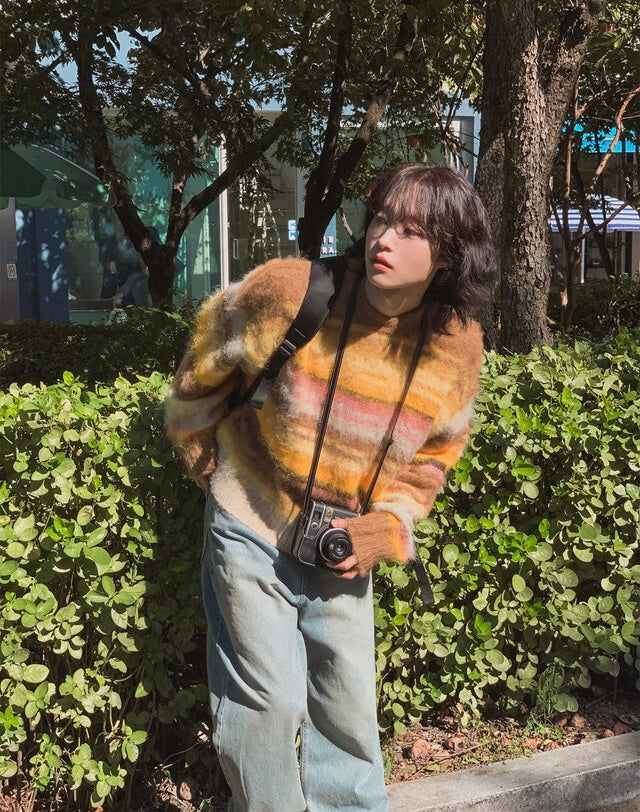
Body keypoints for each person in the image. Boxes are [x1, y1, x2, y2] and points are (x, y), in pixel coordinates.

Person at [165, 163, 496, 811]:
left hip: (344, 538)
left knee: (346, 706)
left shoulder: (456, 345)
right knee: (267, 702)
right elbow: (208, 353)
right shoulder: (293, 291)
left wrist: (386, 526)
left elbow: (436, 452)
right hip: (252, 521)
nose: (384, 239)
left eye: (411, 231)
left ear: (450, 255)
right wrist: (209, 463)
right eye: (381, 220)